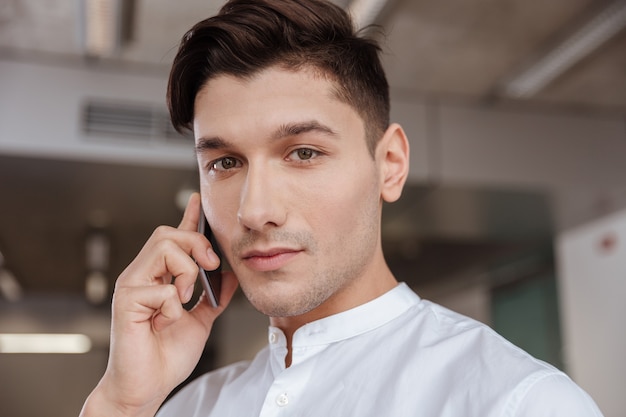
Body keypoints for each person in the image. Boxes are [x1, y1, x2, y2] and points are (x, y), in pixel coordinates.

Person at [80, 0, 604, 416]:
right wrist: (120, 404)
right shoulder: (185, 407)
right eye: (224, 162)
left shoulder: (519, 402)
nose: (255, 210)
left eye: (304, 153)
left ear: (391, 164)